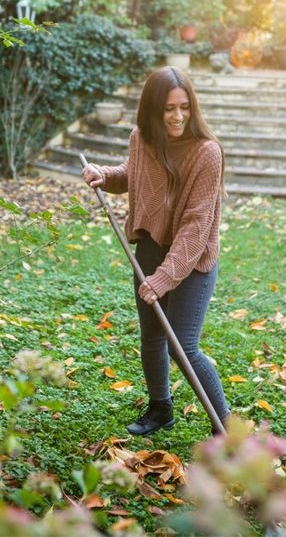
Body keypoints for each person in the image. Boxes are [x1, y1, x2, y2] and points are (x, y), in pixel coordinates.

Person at [82, 66, 230, 436]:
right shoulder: (142, 138)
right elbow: (136, 175)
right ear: (152, 110)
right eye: (168, 109)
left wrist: (165, 277)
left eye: (184, 107)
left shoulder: (207, 153)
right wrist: (106, 175)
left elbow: (196, 226)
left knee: (184, 346)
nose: (178, 116)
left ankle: (225, 425)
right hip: (149, 248)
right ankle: (160, 409)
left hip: (192, 259)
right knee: (151, 337)